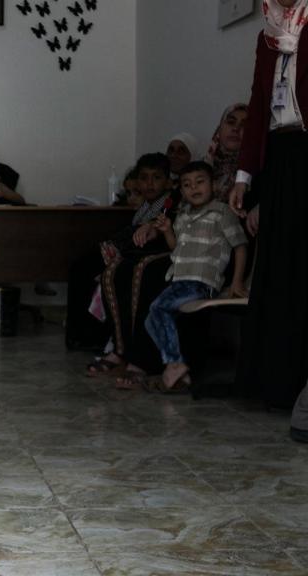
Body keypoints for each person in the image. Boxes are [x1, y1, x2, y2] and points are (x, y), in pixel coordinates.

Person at [230, 0, 308, 423]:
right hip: (280, 158)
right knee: (279, 269)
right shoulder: (267, 37)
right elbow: (259, 106)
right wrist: (244, 177)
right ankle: (279, 384)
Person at [144, 162, 248, 393]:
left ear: (213, 184)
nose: (194, 188)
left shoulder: (222, 212)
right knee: (152, 317)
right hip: (180, 280)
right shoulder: (182, 215)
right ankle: (179, 369)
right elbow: (176, 249)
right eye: (187, 185)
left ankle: (174, 365)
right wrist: (168, 231)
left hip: (201, 282)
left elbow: (240, 246)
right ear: (181, 191)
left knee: (158, 310)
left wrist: (237, 282)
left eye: (200, 182)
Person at [86, 153, 181, 384]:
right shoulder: (147, 208)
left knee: (141, 273)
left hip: (175, 253)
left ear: (168, 182)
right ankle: (121, 350)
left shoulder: (174, 201)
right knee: (112, 272)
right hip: (153, 251)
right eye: (144, 178)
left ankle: (142, 358)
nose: (149, 184)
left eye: (156, 178)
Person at [204, 103, 249, 203]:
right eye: (231, 122)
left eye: (244, 125)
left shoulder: (254, 174)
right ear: (219, 129)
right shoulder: (201, 168)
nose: (236, 129)